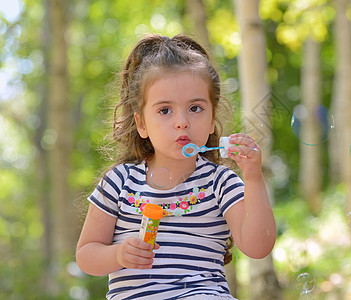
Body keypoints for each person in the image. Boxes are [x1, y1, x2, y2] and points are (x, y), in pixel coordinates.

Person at [76, 34, 276, 300]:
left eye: (195, 108)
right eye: (165, 111)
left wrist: (253, 177)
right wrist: (118, 254)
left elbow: (258, 245)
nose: (182, 122)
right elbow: (86, 254)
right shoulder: (119, 181)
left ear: (212, 119)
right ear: (141, 124)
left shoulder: (220, 183)